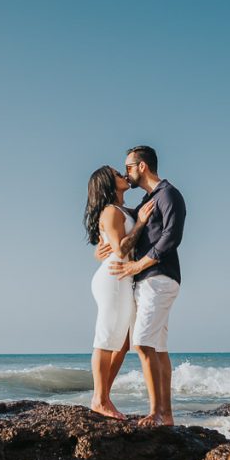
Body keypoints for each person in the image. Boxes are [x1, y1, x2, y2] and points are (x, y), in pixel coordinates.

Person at [98, 146, 186, 426]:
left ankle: (156, 412)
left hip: (159, 277)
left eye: (129, 167)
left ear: (143, 167)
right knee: (157, 347)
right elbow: (124, 230)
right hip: (146, 281)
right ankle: (167, 414)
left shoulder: (168, 194)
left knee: (142, 343)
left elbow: (171, 237)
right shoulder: (147, 201)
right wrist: (102, 246)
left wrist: (138, 265)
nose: (126, 172)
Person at [83, 166, 155, 420]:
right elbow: (121, 250)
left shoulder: (123, 210)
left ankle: (102, 397)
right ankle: (99, 399)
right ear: (107, 183)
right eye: (116, 173)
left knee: (123, 343)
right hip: (113, 278)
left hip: (123, 278)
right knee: (106, 337)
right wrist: (142, 223)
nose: (123, 175)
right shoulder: (111, 211)